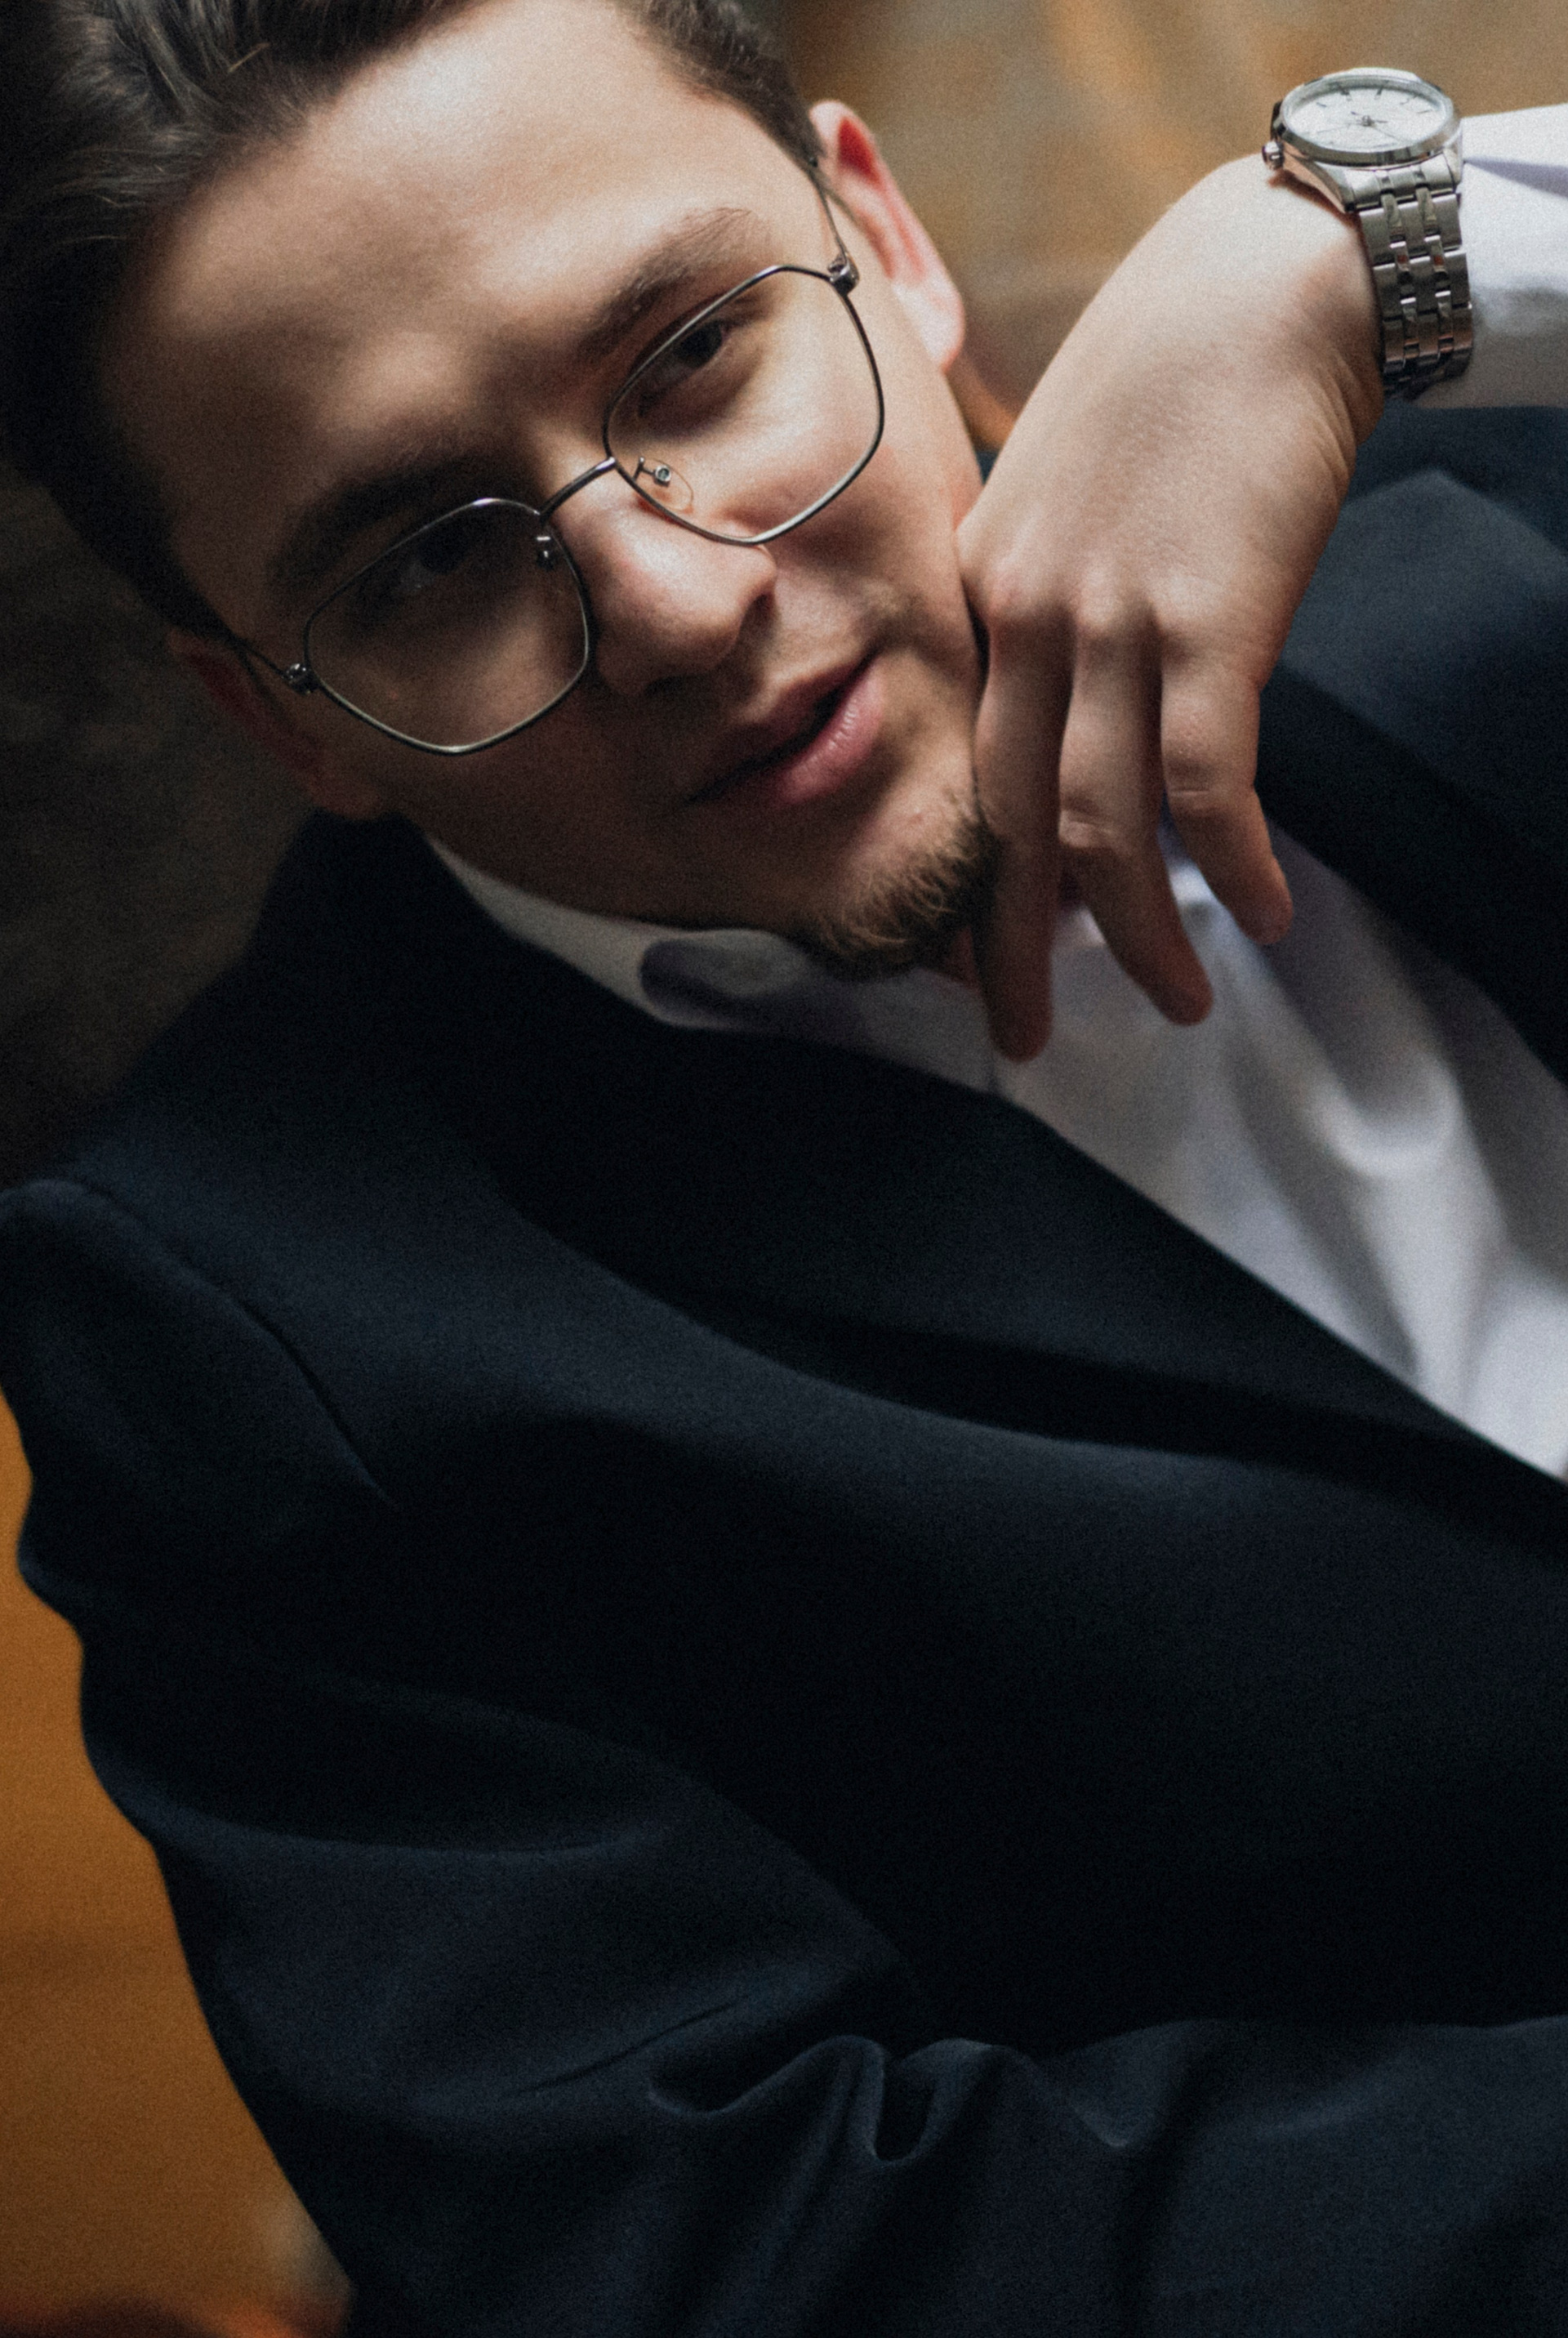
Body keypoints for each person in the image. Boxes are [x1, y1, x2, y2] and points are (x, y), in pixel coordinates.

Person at [6, 0, 1568, 2326]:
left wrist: (1384, 239)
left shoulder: (1486, 488)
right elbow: (748, 2259)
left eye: (695, 355)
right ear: (276, 718)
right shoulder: (244, 1324)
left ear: (886, 241)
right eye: (424, 563)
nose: (675, 602)